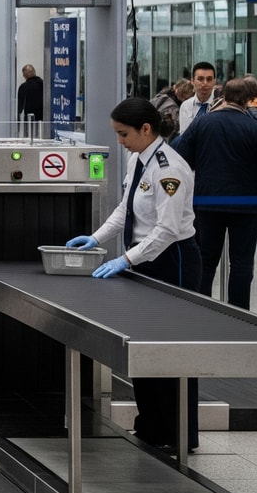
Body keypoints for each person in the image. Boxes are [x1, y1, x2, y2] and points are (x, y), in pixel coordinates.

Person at [67, 97, 200, 451]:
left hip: (173, 261)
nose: (119, 141)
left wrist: (126, 259)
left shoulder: (169, 168)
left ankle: (176, 432)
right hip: (144, 259)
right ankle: (150, 426)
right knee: (142, 345)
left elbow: (168, 229)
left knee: (171, 347)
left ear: (146, 129)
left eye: (123, 134)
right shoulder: (137, 158)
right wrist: (95, 239)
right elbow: (126, 209)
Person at [172, 76, 257, 309]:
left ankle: (199, 309)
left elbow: (180, 154)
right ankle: (239, 314)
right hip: (246, 205)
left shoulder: (204, 123)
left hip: (207, 202)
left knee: (206, 259)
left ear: (223, 97)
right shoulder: (255, 128)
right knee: (241, 263)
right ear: (247, 101)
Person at [177, 62, 218, 136]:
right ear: (192, 81)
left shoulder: (220, 106)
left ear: (214, 81)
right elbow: (183, 136)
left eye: (209, 79)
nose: (205, 83)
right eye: (200, 79)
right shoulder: (186, 106)